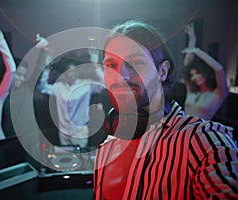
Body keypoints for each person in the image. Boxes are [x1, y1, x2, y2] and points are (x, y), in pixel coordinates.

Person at [93, 20, 238, 199]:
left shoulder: (206, 142)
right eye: (111, 65)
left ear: (162, 72)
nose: (121, 76)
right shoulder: (107, 144)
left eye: (136, 62)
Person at [38, 49, 104, 148]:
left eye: (73, 71)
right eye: (68, 72)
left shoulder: (85, 85)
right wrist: (47, 67)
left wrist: (95, 65)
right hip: (63, 132)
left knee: (81, 159)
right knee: (67, 160)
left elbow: (103, 84)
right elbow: (42, 87)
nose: (71, 74)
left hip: (79, 132)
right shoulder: (59, 86)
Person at [182, 23, 228, 120]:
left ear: (205, 73)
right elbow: (187, 65)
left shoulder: (218, 94)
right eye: (192, 75)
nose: (195, 77)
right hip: (183, 130)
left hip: (200, 133)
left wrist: (197, 51)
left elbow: (219, 69)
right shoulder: (191, 90)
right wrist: (192, 40)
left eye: (197, 73)